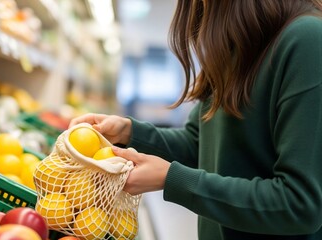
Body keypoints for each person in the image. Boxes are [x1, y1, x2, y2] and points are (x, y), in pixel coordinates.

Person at [69, 0, 322, 239]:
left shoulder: (308, 40)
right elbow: (199, 143)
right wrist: (129, 132)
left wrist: (172, 179)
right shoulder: (237, 48)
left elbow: (300, 203)